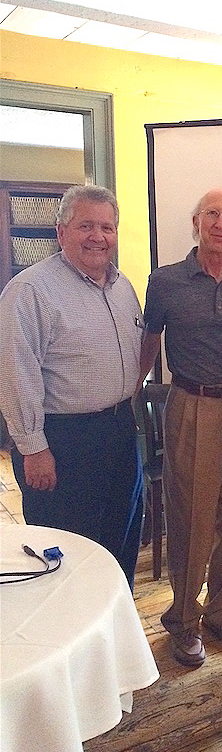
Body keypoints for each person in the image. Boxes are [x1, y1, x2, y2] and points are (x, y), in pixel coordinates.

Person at [139, 188, 222, 667]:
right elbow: (150, 344)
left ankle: (219, 608)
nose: (220, 222)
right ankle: (183, 619)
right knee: (191, 515)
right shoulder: (165, 281)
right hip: (190, 404)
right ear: (196, 221)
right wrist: (132, 393)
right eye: (211, 213)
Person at [0, 185, 143, 587]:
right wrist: (33, 448)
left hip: (119, 430)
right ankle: (72, 638)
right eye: (85, 226)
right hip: (63, 440)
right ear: (61, 232)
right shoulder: (29, 291)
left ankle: (115, 629)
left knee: (121, 536)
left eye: (106, 227)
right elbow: (14, 373)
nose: (98, 237)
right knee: (67, 549)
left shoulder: (123, 286)